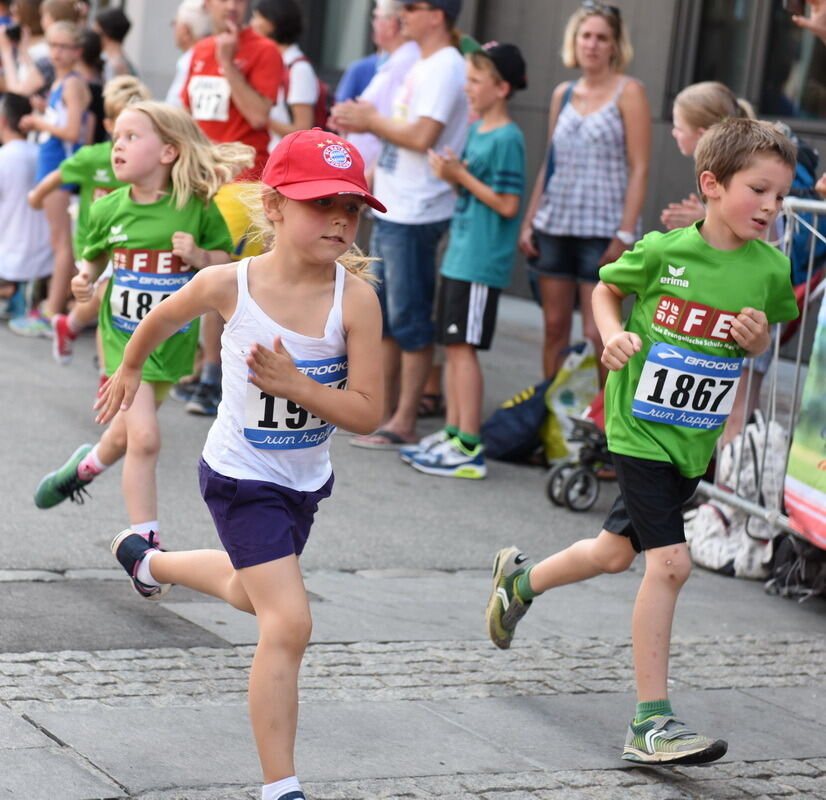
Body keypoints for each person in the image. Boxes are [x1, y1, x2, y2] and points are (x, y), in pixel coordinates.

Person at [485, 118, 800, 765]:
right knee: (671, 564)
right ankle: (650, 724)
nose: (771, 206)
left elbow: (771, 336)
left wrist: (755, 340)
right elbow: (606, 287)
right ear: (712, 184)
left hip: (692, 438)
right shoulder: (664, 252)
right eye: (758, 190)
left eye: (780, 195)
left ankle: (518, 585)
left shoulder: (770, 267)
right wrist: (611, 334)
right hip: (638, 428)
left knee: (610, 554)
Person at [97, 128, 385, 800]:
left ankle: (149, 560)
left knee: (247, 594)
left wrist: (302, 388)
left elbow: (370, 412)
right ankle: (279, 787)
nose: (341, 220)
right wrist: (129, 370)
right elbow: (162, 316)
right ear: (276, 206)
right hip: (238, 477)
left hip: (305, 482)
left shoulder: (357, 300)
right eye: (323, 204)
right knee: (289, 621)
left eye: (353, 207)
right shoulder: (231, 283)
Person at [33, 101, 251, 549]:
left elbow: (226, 265)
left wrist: (199, 257)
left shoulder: (196, 208)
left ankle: (80, 470)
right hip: (121, 341)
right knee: (146, 439)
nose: (119, 146)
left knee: (123, 436)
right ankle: (144, 551)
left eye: (133, 137)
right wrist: (84, 279)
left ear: (169, 152)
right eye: (117, 138)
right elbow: (94, 256)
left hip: (171, 346)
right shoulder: (109, 207)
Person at [333, 0, 469, 449]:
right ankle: (385, 414)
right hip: (399, 205)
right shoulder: (424, 62)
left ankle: (404, 420)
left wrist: (369, 119)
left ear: (437, 15)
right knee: (386, 319)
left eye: (412, 6)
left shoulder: (446, 65)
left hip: (418, 209)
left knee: (408, 320)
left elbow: (421, 136)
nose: (402, 14)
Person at [402, 42, 526, 479]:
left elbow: (508, 204)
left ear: (502, 87)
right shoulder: (478, 130)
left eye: (476, 81)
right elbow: (474, 192)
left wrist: (459, 176)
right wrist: (452, 177)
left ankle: (469, 443)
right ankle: (456, 433)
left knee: (463, 349)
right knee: (453, 347)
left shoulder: (508, 136)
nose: (468, 88)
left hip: (480, 260)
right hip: (461, 255)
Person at [519, 2, 651, 381]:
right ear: (574, 41)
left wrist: (626, 232)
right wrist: (530, 221)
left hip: (603, 230)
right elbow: (551, 161)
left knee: (599, 333)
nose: (592, 44)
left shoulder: (630, 92)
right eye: (585, 36)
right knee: (554, 328)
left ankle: (605, 429)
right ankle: (550, 423)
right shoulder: (563, 93)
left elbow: (640, 167)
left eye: (601, 38)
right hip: (555, 225)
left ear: (615, 46)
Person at [179, 0, 284, 417]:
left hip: (244, 184)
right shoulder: (200, 50)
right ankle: (205, 371)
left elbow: (259, 113)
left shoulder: (264, 51)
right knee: (203, 274)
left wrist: (229, 65)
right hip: (203, 182)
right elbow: (191, 119)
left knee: (223, 277)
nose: (232, 6)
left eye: (241, 0)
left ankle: (215, 380)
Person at [28, 75, 151, 365]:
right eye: (124, 130)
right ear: (109, 126)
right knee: (107, 294)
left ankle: (73, 329)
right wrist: (36, 197)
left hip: (131, 243)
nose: (129, 140)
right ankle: (104, 364)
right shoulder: (92, 157)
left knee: (112, 300)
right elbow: (56, 176)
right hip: (95, 243)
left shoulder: (149, 163)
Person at [10, 20, 90, 338]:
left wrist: (41, 124)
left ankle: (52, 311)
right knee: (58, 241)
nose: (56, 52)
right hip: (54, 168)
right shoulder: (62, 83)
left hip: (62, 170)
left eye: (63, 46)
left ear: (76, 51)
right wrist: (44, 114)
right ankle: (67, 306)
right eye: (53, 45)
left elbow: (73, 132)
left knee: (61, 244)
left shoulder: (72, 84)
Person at [338, 0, 420, 172]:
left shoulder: (404, 64)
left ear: (391, 23)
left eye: (376, 17)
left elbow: (399, 128)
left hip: (377, 178)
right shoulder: (397, 61)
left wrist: (365, 121)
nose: (373, 23)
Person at [660, 82, 753, 232]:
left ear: (702, 135)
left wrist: (704, 219)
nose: (674, 133)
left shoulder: (736, 170)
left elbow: (754, 236)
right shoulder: (723, 164)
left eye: (679, 128)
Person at [0, 91, 53, 320]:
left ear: (2, 120)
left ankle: (9, 292)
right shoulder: (43, 155)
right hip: (45, 260)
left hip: (9, 259)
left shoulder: (4, 158)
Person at [250, 0, 319, 147]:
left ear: (271, 24)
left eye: (257, 17)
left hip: (283, 161)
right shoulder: (269, 62)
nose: (252, 24)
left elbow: (302, 129)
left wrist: (257, 114)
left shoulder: (298, 69)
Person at [165, 0, 212, 108]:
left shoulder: (190, 61)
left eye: (174, 23)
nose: (173, 29)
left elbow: (177, 106)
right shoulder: (205, 57)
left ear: (185, 30)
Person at [93, 6, 137, 81]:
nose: (92, 36)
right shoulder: (126, 64)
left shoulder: (113, 66)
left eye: (95, 32)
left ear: (105, 33)